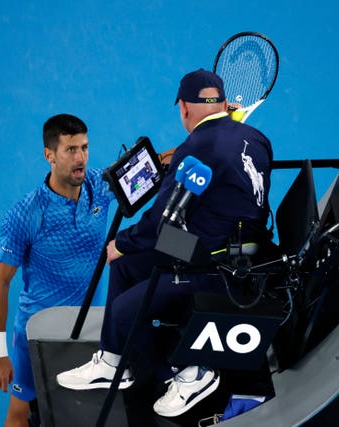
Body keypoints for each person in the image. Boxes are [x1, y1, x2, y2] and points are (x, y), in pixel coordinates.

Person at [56, 69, 274, 418]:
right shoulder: (256, 137)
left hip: (211, 261)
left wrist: (121, 242)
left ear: (185, 109)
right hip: (240, 247)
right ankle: (112, 361)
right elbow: (222, 169)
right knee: (128, 266)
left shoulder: (198, 149)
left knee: (127, 305)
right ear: (222, 103)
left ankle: (188, 374)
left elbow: (159, 225)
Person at [0, 114, 115, 426]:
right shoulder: (27, 214)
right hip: (39, 337)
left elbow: (156, 164)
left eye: (84, 147)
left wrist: (214, 125)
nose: (80, 157)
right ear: (49, 156)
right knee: (20, 415)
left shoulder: (99, 185)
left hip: (87, 334)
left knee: (79, 415)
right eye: (70, 150)